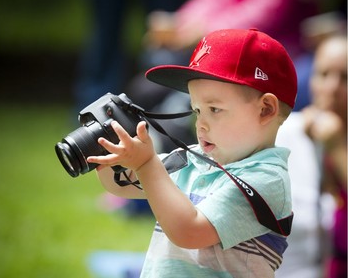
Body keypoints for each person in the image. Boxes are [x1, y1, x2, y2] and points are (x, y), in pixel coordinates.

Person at [87, 28, 296, 277]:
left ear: (266, 110)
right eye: (197, 110)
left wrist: (147, 165)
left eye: (214, 109)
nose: (200, 124)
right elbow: (121, 184)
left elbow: (190, 231)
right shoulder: (195, 160)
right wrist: (108, 146)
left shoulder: (265, 179)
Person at [275, 33, 347, 278]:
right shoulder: (281, 134)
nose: (333, 87)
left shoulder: (338, 146)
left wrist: (337, 149)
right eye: (324, 74)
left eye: (345, 78)